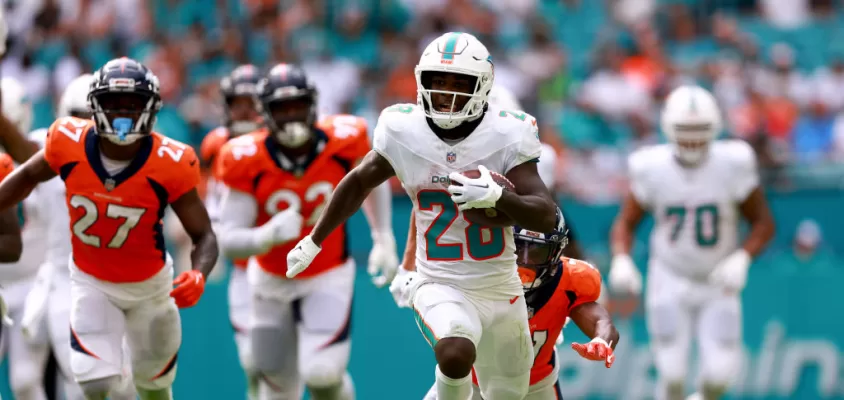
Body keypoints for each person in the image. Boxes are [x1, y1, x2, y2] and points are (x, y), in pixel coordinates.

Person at [286, 32, 558, 400]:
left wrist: (499, 198)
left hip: (501, 287)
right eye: (438, 81)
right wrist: (314, 239)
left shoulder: (508, 132)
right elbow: (358, 182)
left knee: (509, 393)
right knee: (455, 350)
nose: (447, 93)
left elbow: (545, 216)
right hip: (439, 282)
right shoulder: (403, 130)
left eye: (459, 83)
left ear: (483, 86)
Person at [0, 57, 218, 400]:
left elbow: (203, 234)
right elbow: (26, 176)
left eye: (132, 105)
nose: (122, 114)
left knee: (154, 386)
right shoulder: (66, 142)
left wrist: (200, 274)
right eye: (113, 104)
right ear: (94, 107)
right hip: (91, 282)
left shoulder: (172, 162)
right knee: (94, 382)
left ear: (150, 108)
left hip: (150, 289)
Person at [216, 63, 398, 400]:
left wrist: (382, 235)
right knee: (271, 376)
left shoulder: (344, 137)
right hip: (269, 281)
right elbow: (228, 241)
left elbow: (372, 180)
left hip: (326, 273)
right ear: (265, 113)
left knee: (323, 374)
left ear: (312, 104)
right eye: (281, 109)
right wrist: (265, 236)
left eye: (297, 105)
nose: (291, 115)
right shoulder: (246, 156)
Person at [608, 85, 775, 400]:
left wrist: (742, 258)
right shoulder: (651, 166)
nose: (693, 138)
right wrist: (622, 258)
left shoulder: (733, 162)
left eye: (700, 130)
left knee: (721, 376)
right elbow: (626, 222)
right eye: (686, 129)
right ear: (668, 128)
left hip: (718, 279)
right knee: (672, 376)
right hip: (669, 276)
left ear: (715, 128)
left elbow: (764, 223)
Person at [404, 207, 619, 399]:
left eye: (537, 251)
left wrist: (601, 339)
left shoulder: (568, 281)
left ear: (556, 252)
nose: (525, 261)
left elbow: (601, 321)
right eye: (517, 247)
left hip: (536, 387)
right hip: (473, 385)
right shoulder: (475, 273)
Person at [18, 74, 137, 400]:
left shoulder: (131, 157)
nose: (87, 128)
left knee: (126, 386)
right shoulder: (49, 152)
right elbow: (22, 154)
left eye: (93, 119)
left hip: (119, 283)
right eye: (80, 118)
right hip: (66, 281)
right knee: (81, 380)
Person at [198, 64, 263, 400]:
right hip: (241, 264)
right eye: (237, 102)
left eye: (251, 102)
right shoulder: (216, 144)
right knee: (251, 360)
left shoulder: (276, 143)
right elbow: (214, 200)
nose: (244, 110)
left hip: (276, 261)